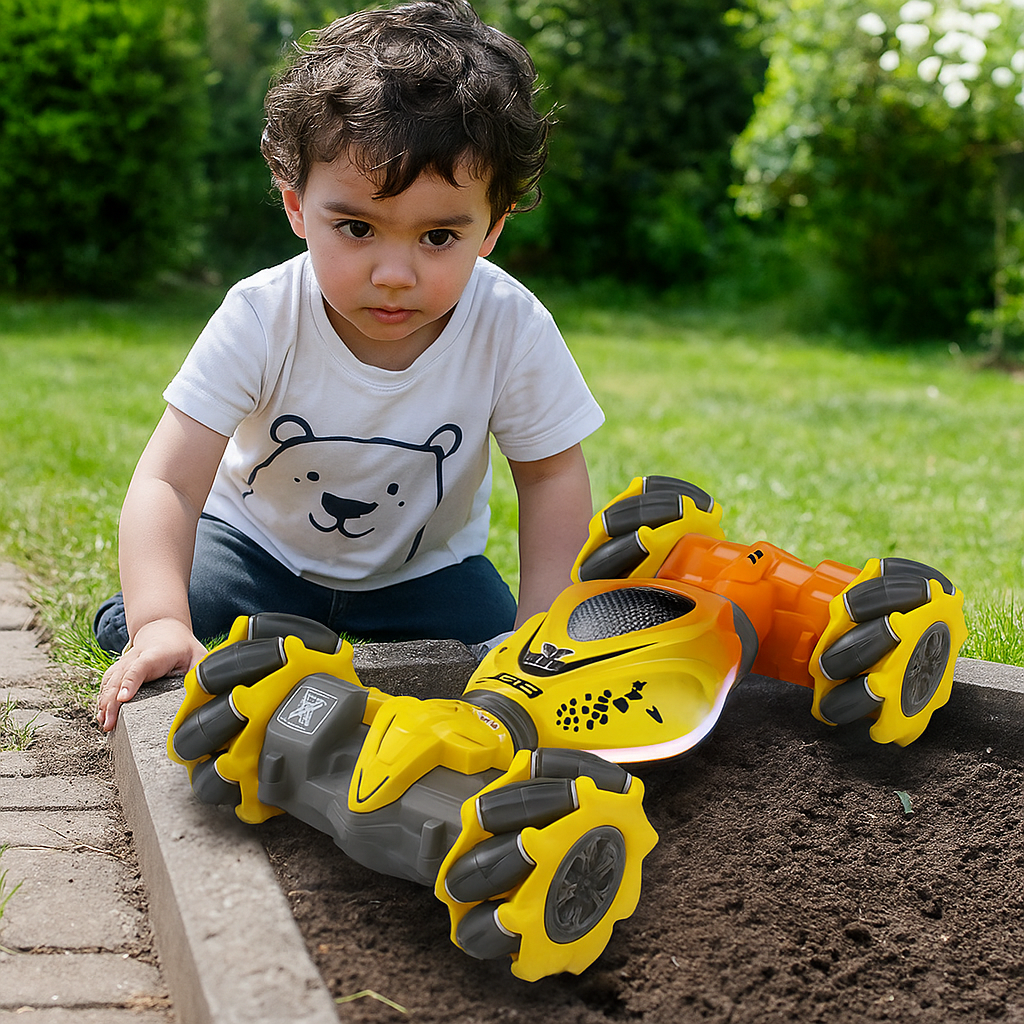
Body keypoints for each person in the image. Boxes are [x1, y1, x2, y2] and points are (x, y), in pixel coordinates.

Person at [94, 0, 604, 732]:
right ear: (298, 206)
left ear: (492, 226)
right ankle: (159, 622)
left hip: (422, 576)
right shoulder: (262, 314)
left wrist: (542, 633)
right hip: (255, 556)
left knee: (497, 643)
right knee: (172, 614)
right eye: (357, 228)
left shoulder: (510, 324)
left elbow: (552, 474)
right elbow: (169, 481)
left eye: (437, 236)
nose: (393, 272)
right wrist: (158, 618)